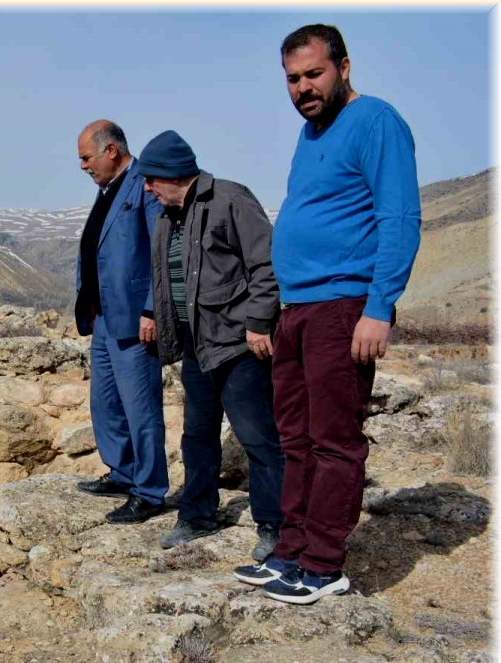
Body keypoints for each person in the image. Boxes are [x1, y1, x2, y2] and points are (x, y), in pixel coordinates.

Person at [233, 24, 421, 604]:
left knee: (335, 440)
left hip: (344, 306)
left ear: (344, 66)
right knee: (296, 438)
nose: (303, 88)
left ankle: (324, 565)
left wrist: (379, 307)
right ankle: (290, 550)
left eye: (314, 73)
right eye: (292, 79)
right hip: (297, 310)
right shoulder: (311, 133)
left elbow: (400, 218)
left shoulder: (376, 121)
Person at [137, 130, 285, 561]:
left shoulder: (231, 199)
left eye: (152, 179)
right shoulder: (167, 218)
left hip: (238, 345)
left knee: (257, 436)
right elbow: (167, 282)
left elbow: (266, 264)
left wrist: (259, 322)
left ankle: (274, 525)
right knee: (197, 436)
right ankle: (197, 515)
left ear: (171, 174)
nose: (147, 187)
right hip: (196, 345)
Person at [72, 120, 169, 524]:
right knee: (105, 403)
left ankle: (149, 491)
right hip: (103, 319)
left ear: (111, 150)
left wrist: (152, 309)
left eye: (86, 158)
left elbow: (161, 252)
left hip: (134, 319)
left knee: (141, 408)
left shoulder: (145, 185)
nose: (82, 166)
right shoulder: (108, 190)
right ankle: (123, 471)